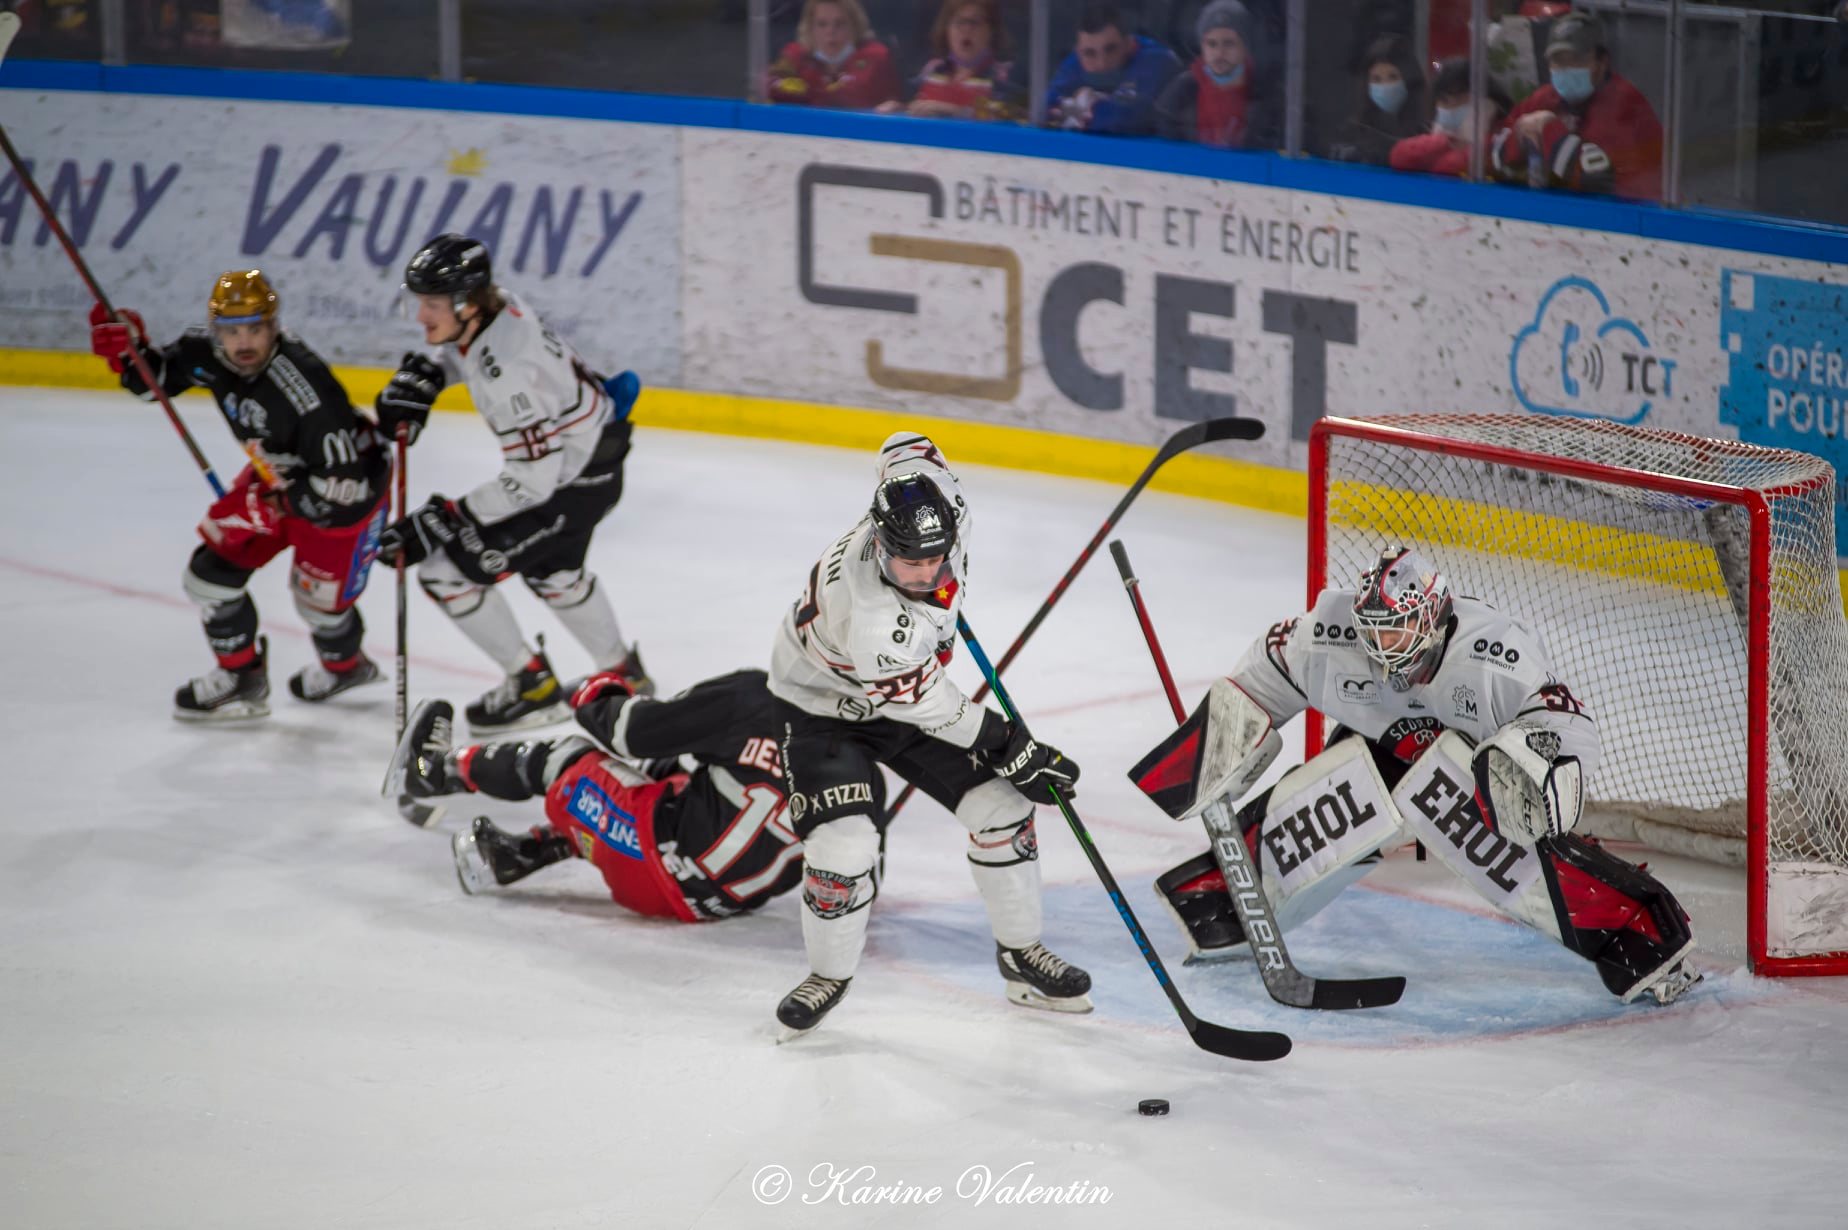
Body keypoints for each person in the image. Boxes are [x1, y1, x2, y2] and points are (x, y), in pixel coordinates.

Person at [1132, 546, 1701, 1006]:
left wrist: (1532, 767)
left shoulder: (1491, 656)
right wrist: (1220, 742)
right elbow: (1271, 664)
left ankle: (1640, 933)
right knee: (1342, 793)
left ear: (1431, 616)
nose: (1382, 647)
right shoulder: (1329, 640)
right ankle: (1222, 901)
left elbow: (1563, 720)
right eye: (1374, 631)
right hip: (1379, 746)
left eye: (1397, 632)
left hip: (1467, 771)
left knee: (1466, 812)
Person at [765, 431, 1091, 1037]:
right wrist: (1009, 744)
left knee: (1003, 805)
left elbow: (905, 444)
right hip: (822, 703)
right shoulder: (872, 618)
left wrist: (1009, 761)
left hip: (901, 689)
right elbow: (930, 708)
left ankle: (1021, 955)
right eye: (908, 563)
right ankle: (828, 975)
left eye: (934, 560)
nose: (924, 573)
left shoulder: (942, 509)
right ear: (881, 541)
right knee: (844, 848)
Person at [374, 234, 648, 736]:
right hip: (593, 461)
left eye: (432, 305)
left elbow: (532, 482)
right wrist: (431, 376)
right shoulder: (500, 308)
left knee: (443, 570)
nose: (420, 317)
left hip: (570, 483)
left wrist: (445, 517)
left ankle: (531, 687)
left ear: (465, 303)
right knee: (556, 573)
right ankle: (622, 672)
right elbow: (470, 354)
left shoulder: (510, 376)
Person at [88, 271, 390, 720]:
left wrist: (277, 507)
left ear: (273, 326)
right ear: (216, 331)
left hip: (346, 498)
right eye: (231, 331)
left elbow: (342, 486)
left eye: (255, 329)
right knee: (208, 577)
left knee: (319, 607)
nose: (243, 342)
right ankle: (241, 678)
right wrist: (129, 350)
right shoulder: (207, 354)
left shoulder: (307, 391)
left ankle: (346, 667)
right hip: (275, 479)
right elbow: (155, 382)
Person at [385, 668, 822, 921]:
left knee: (567, 759)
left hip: (652, 866)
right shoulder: (859, 758)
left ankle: (434, 771)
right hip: (719, 906)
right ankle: (523, 853)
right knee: (672, 779)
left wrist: (599, 694)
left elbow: (634, 732)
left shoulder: (756, 699)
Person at [1489, 10, 1663, 200]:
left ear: (1602, 62)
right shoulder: (1546, 98)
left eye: (1577, 60)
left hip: (1638, 218)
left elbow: (1597, 179)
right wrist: (1520, 133)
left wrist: (1548, 129)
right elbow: (1493, 157)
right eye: (1558, 61)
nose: (1567, 68)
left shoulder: (1624, 103)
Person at [1154, 0, 1281, 150]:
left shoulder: (1268, 95)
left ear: (1246, 47)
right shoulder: (1182, 91)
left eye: (1229, 43)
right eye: (1212, 44)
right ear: (1202, 47)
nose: (1219, 53)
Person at [1046, 1, 1182, 136]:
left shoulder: (1159, 61)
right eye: (1090, 53)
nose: (1102, 63)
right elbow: (1046, 110)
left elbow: (1131, 121)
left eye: (1111, 49)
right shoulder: (1076, 60)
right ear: (1078, 51)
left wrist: (1079, 110)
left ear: (1129, 43)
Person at [876, 0, 1024, 122]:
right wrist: (899, 108)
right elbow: (914, 106)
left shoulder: (1003, 75)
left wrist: (954, 111)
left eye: (974, 22)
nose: (966, 29)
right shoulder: (933, 69)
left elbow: (1010, 117)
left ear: (991, 30)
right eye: (959, 22)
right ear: (946, 29)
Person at [765, 0, 899, 110]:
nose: (830, 32)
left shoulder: (875, 56)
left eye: (839, 24)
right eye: (822, 24)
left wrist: (806, 91)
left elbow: (848, 98)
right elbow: (768, 86)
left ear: (855, 26)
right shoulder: (796, 55)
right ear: (810, 28)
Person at [1389, 57, 1510, 177]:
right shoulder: (1434, 133)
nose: (1451, 106)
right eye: (1444, 100)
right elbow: (1398, 155)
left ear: (1485, 103)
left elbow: (1450, 167)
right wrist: (1444, 141)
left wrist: (1475, 133)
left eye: (1460, 99)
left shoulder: (1502, 137)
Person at [1323, 33, 1428, 165]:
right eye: (1376, 79)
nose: (1385, 86)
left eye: (1393, 77)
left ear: (1409, 80)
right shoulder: (1352, 132)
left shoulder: (1426, 134)